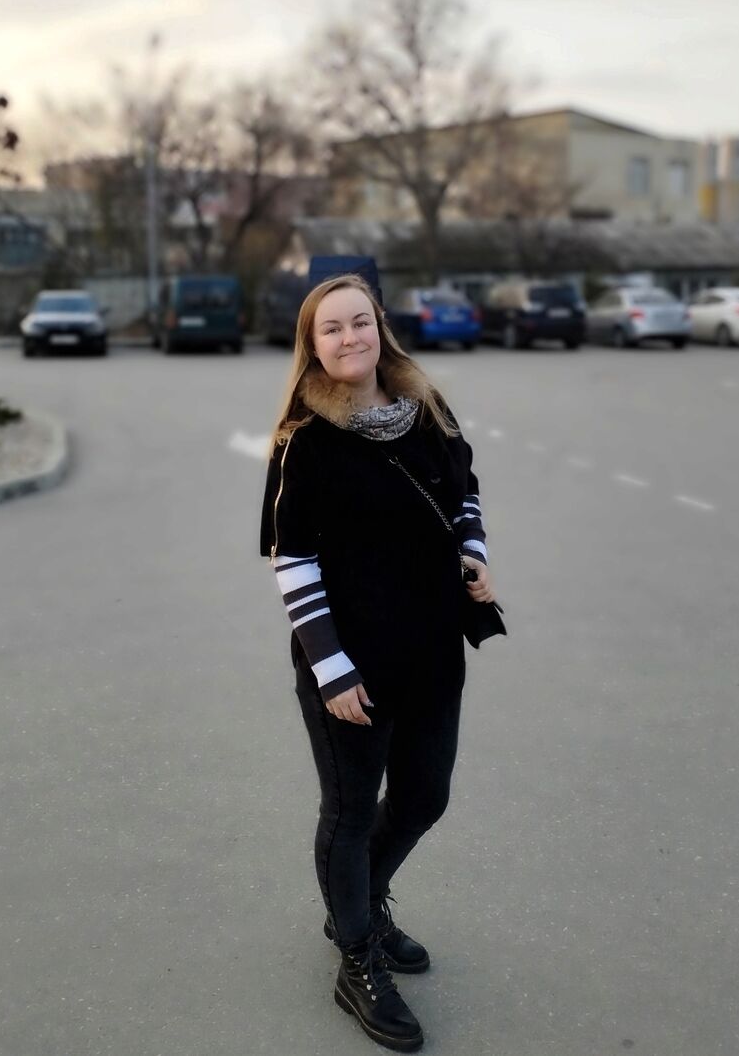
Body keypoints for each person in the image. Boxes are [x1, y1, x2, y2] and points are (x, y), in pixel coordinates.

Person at [259, 273, 505, 1052]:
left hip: (431, 649)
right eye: (330, 328)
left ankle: (358, 902)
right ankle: (357, 957)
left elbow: (464, 493)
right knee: (352, 811)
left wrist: (473, 551)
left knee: (425, 796)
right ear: (313, 345)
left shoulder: (427, 410)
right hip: (351, 666)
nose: (349, 338)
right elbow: (292, 559)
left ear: (379, 328)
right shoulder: (306, 442)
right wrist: (330, 668)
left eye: (359, 322)